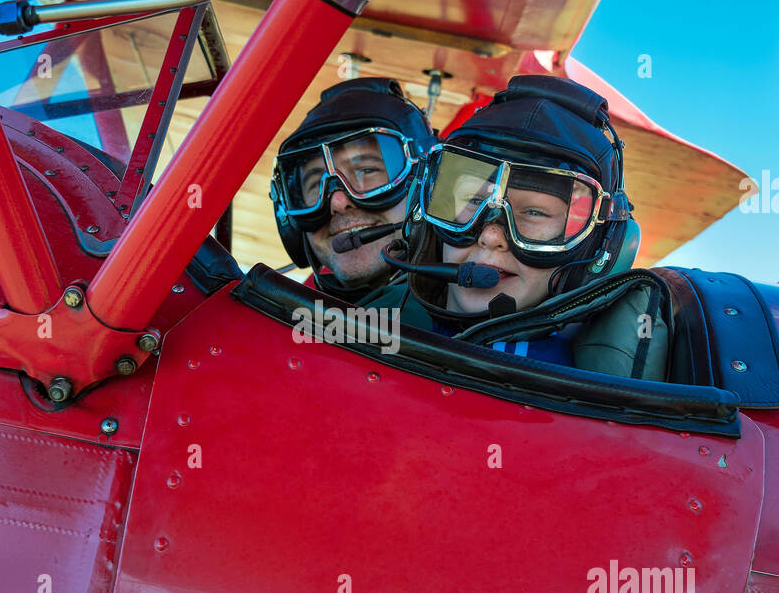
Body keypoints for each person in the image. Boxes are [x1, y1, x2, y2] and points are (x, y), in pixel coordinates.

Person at [392, 74, 671, 379]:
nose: (490, 235)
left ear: (599, 251)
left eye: (535, 212)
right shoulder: (363, 324)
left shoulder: (579, 403)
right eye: (473, 200)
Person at [271, 77, 434, 307]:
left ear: (429, 184)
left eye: (367, 170)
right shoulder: (285, 321)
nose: (338, 201)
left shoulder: (474, 317)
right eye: (316, 183)